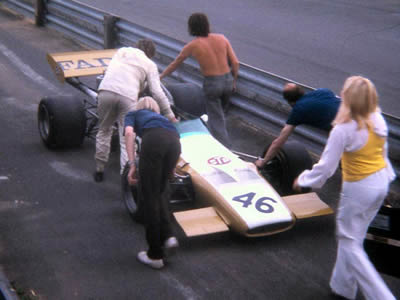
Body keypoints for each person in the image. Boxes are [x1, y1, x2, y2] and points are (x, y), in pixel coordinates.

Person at [293, 76, 396, 300]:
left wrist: (303, 181)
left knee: (350, 243)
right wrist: (385, 186)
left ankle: (382, 297)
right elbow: (383, 155)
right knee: (354, 236)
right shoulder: (378, 118)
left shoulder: (343, 128)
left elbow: (326, 167)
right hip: (380, 182)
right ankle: (342, 287)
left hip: (359, 188)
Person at [94, 39, 177, 182]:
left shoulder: (122, 51)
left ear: (136, 47)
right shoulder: (150, 64)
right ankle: (126, 176)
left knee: (104, 130)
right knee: (126, 135)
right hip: (128, 96)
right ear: (151, 54)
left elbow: (109, 71)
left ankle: (99, 169)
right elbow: (157, 92)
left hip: (106, 90)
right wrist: (170, 115)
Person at [160, 12, 239, 148]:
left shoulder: (193, 45)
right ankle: (215, 137)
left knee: (216, 119)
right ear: (207, 25)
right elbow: (235, 63)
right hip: (227, 81)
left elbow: (175, 64)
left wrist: (160, 77)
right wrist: (234, 81)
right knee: (220, 115)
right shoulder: (222, 38)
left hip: (213, 84)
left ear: (191, 27)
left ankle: (226, 149)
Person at [124, 97, 181, 270]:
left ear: (140, 107)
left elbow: (128, 134)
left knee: (149, 199)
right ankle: (168, 236)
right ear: (155, 108)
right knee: (161, 192)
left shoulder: (133, 113)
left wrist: (132, 164)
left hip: (154, 141)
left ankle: (155, 255)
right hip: (175, 143)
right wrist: (170, 170)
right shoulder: (163, 118)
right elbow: (174, 139)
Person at [255, 83, 341, 168]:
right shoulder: (323, 91)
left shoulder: (298, 110)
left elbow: (278, 142)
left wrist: (263, 161)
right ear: (302, 91)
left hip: (347, 131)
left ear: (289, 102)